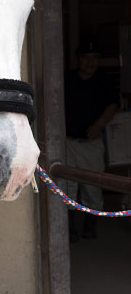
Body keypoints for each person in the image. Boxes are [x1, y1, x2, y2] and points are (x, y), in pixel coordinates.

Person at [64, 41, 119, 241]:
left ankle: (90, 226)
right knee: (66, 185)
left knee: (92, 185)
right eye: (86, 58)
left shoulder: (104, 82)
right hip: (67, 141)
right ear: (78, 58)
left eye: (95, 59)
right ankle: (69, 228)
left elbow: (113, 105)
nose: (90, 63)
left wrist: (100, 124)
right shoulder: (66, 79)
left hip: (91, 143)